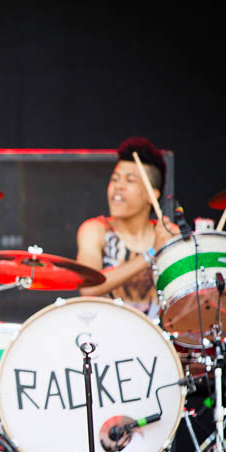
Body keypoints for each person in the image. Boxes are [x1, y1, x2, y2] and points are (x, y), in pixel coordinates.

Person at [75, 136, 176, 318]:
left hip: (157, 341)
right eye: (115, 179)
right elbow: (88, 288)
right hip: (105, 338)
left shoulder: (166, 235)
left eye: (130, 180)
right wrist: (151, 253)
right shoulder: (96, 230)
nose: (118, 187)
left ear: (151, 194)